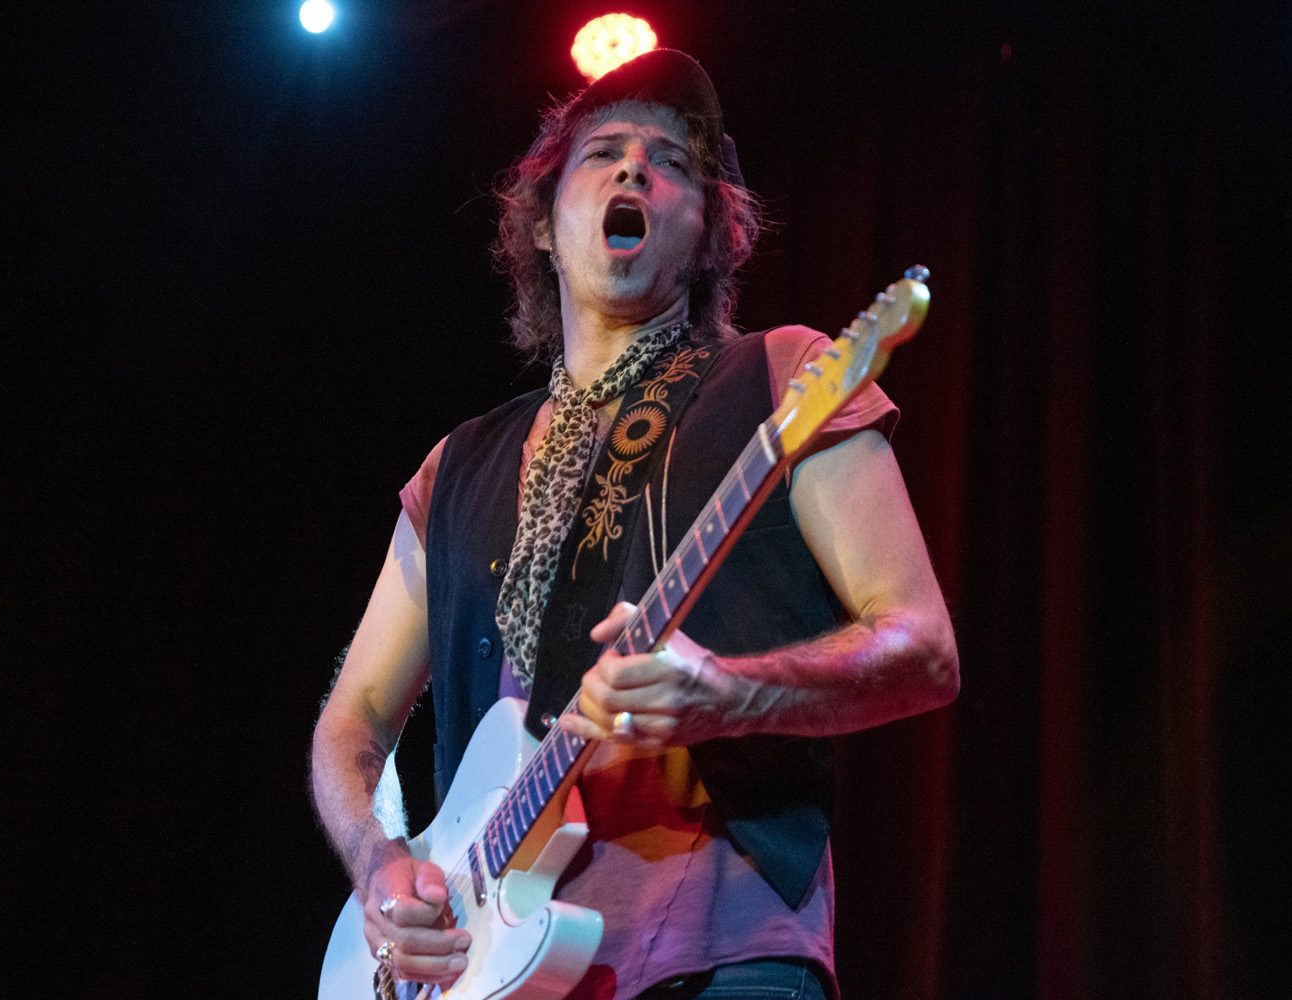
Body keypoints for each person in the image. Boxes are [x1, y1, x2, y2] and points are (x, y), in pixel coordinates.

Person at [310, 49, 959, 1000]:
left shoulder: (784, 377)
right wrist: (382, 864)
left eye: (671, 162)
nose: (634, 169)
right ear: (543, 224)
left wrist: (731, 693)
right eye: (603, 153)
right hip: (487, 968)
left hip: (722, 958)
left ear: (709, 233)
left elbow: (923, 647)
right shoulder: (457, 469)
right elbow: (353, 720)